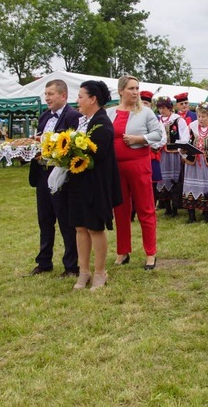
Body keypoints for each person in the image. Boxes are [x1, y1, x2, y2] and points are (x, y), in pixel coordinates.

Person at [63, 80, 123, 291]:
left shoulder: (103, 124)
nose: (77, 100)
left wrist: (70, 152)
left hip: (95, 185)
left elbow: (95, 156)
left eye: (80, 96)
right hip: (78, 184)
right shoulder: (83, 122)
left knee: (95, 228)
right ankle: (84, 271)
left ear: (92, 99)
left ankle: (100, 272)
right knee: (80, 227)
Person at [107, 75, 164, 269]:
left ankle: (150, 253)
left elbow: (159, 134)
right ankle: (123, 251)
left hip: (139, 165)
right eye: (131, 88)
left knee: (145, 209)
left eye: (137, 88)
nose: (135, 92)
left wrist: (139, 138)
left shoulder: (145, 112)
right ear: (121, 91)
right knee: (120, 210)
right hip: (116, 168)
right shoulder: (110, 113)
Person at [27, 80, 82, 277]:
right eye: (46, 94)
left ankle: (71, 265)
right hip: (42, 174)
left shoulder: (74, 117)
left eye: (51, 94)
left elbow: (73, 146)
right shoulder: (43, 117)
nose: (47, 98)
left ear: (63, 96)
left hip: (61, 175)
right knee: (44, 219)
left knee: (65, 221)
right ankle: (44, 261)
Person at [155, 97, 190, 217]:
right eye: (159, 108)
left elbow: (184, 137)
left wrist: (183, 153)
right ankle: (167, 208)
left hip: (175, 154)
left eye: (163, 108)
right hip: (162, 154)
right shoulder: (157, 120)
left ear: (169, 107)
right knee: (162, 180)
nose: (161, 110)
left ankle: (175, 207)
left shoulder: (178, 120)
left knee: (174, 179)